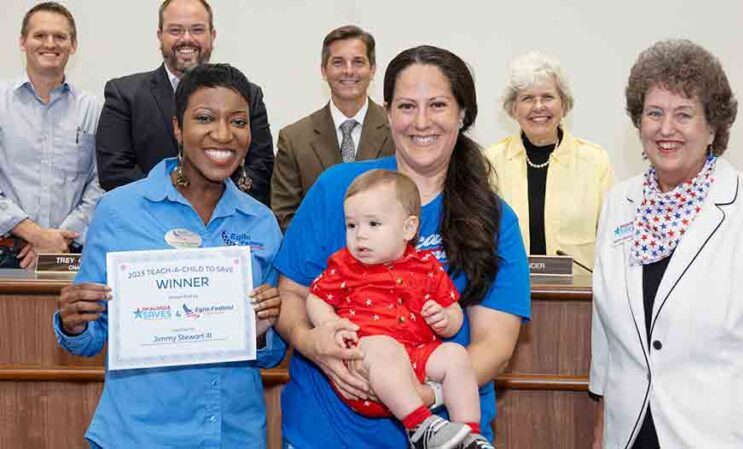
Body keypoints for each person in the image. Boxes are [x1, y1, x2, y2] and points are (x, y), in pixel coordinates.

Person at [274, 45, 530, 449]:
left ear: (463, 114)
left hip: (448, 430)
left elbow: (495, 345)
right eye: (407, 106)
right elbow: (290, 294)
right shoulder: (337, 189)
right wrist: (312, 344)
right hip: (326, 434)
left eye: (439, 105)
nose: (422, 121)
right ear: (387, 111)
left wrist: (423, 396)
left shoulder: (492, 217)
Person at [53, 63, 286, 448]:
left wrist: (262, 333)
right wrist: (73, 321)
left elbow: (271, 354)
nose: (223, 134)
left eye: (239, 121)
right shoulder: (119, 211)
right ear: (178, 128)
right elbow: (89, 340)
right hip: (138, 435)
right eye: (205, 118)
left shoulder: (260, 222)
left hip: (233, 435)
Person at [589, 39, 743, 448]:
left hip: (720, 436)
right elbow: (606, 328)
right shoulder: (619, 203)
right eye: (654, 113)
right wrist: (602, 427)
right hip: (630, 430)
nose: (666, 129)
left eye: (683, 114)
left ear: (712, 128)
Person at [306, 169, 492, 449]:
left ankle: (467, 435)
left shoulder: (427, 266)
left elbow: (453, 311)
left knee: (455, 355)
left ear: (408, 228)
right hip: (364, 364)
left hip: (415, 359)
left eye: (373, 224)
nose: (360, 236)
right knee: (384, 346)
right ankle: (420, 427)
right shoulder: (344, 266)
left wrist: (445, 320)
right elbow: (316, 298)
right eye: (352, 226)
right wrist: (328, 323)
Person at [95, 0, 274, 204]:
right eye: (175, 30)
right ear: (160, 36)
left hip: (227, 223)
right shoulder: (124, 94)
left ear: (212, 36)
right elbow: (114, 171)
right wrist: (174, 206)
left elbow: (261, 167)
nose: (187, 38)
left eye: (197, 30)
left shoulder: (248, 95)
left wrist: (216, 205)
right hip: (147, 222)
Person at [485, 52, 613, 269]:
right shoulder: (491, 161)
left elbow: (611, 239)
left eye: (547, 97)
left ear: (563, 105)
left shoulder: (595, 161)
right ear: (513, 108)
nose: (538, 107)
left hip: (578, 294)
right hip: (508, 292)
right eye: (527, 98)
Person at [0, 2, 103, 268]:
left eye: (60, 37)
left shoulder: (92, 108)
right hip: (7, 249)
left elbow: (101, 181)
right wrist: (35, 234)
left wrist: (59, 239)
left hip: (70, 251)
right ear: (23, 42)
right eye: (39, 35)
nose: (50, 43)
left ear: (73, 45)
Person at [271, 25, 393, 231]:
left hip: (388, 259)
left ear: (372, 69)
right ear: (323, 70)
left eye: (358, 62)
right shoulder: (294, 139)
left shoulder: (398, 130)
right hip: (319, 259)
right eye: (338, 62)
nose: (348, 70)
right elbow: (284, 215)